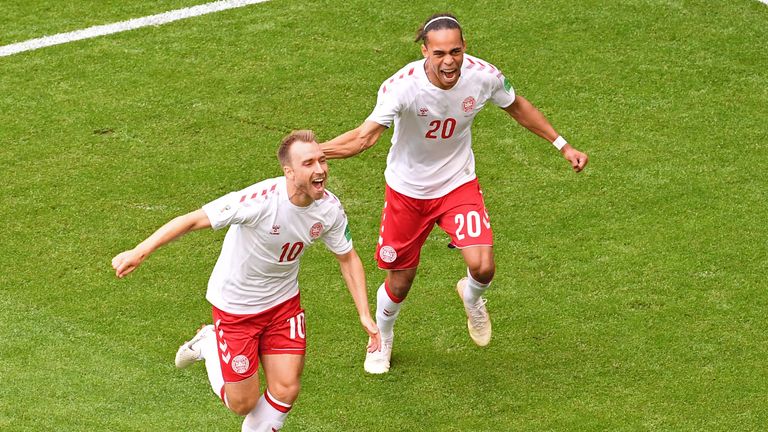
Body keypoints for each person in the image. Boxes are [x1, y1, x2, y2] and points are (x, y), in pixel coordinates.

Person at [320, 13, 588, 374]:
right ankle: (381, 339)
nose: (449, 61)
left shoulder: (482, 76)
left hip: (457, 185)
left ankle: (471, 297)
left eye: (456, 51)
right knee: (400, 282)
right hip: (407, 191)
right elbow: (363, 137)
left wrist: (562, 145)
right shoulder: (402, 86)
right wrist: (316, 153)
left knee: (483, 266)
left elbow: (517, 105)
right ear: (425, 51)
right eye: (441, 53)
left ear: (465, 47)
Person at [112, 130, 380, 431]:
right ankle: (210, 342)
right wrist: (140, 251)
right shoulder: (259, 201)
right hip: (236, 307)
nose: (320, 169)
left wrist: (364, 314)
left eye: (321, 160)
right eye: (308, 163)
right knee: (243, 403)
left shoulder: (329, 210)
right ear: (289, 172)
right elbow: (192, 220)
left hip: (283, 306)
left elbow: (348, 257)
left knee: (286, 387)